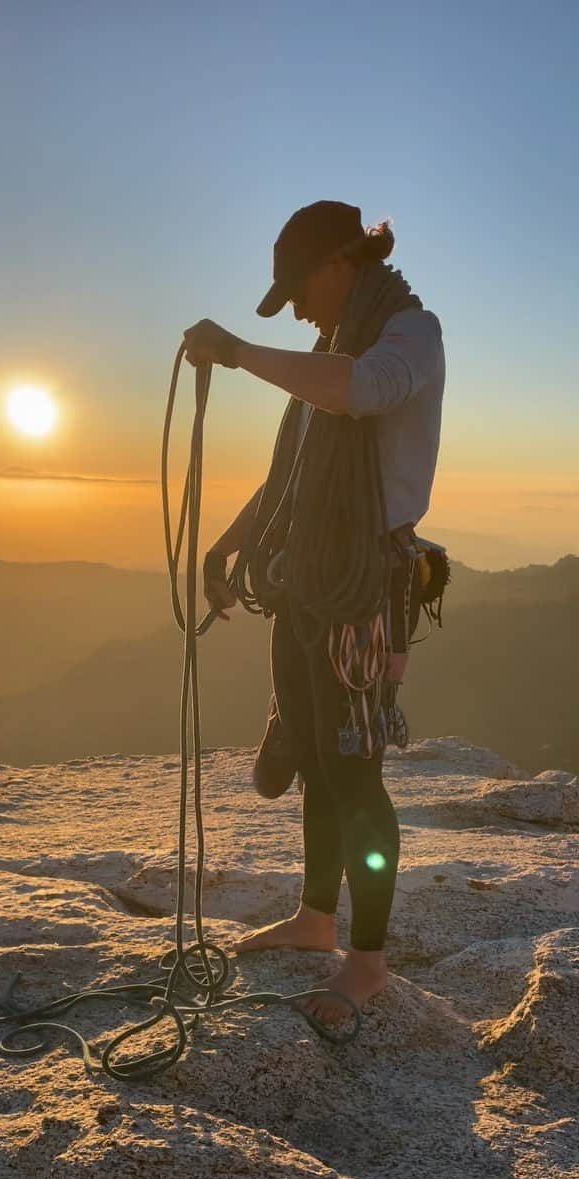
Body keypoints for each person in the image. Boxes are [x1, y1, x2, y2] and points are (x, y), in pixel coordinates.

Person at [182, 201, 446, 1027]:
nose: (297, 307)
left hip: (360, 587)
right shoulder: (331, 353)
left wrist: (236, 352)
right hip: (309, 582)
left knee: (354, 769)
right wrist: (229, 543)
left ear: (343, 262)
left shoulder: (409, 333)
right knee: (315, 755)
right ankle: (315, 919)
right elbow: (292, 472)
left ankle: (365, 964)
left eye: (299, 288)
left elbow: (361, 395)